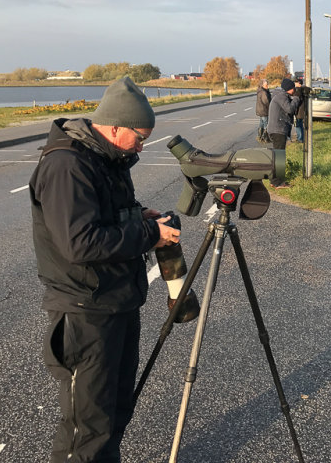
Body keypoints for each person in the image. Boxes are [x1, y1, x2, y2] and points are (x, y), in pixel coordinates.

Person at [29, 77, 196, 462]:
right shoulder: (67, 166)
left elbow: (105, 217)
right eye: (140, 137)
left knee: (115, 412)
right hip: (86, 311)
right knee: (88, 428)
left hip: (117, 301)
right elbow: (81, 243)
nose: (142, 146)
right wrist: (149, 234)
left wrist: (141, 216)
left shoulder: (108, 157)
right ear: (115, 127)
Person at [266, 77, 302, 188]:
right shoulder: (281, 96)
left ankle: (274, 180)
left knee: (277, 156)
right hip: (278, 130)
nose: (294, 90)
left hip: (277, 129)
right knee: (279, 157)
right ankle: (277, 182)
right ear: (289, 89)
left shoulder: (279, 95)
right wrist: (296, 98)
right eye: (293, 89)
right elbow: (290, 109)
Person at [255, 78, 271, 143]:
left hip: (260, 110)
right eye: (266, 85)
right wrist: (270, 106)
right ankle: (265, 138)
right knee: (266, 124)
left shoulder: (259, 91)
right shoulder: (264, 92)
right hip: (264, 110)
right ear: (262, 85)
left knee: (261, 123)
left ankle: (260, 136)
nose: (268, 86)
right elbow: (266, 101)